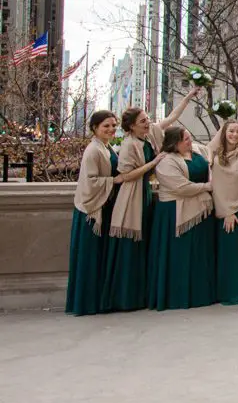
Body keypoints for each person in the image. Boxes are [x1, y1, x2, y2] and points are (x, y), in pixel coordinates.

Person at [108, 87, 199, 311]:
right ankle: (126, 298)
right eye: (142, 121)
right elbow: (125, 175)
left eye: (147, 119)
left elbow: (172, 117)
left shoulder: (150, 135)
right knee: (131, 245)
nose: (147, 123)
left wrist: (188, 97)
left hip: (145, 193)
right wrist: (154, 163)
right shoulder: (129, 145)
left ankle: (143, 294)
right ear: (131, 126)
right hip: (132, 195)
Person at [148, 127, 216, 310]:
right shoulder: (166, 161)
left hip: (200, 212)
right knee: (180, 256)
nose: (190, 141)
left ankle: (200, 294)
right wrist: (207, 187)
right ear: (174, 143)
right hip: (175, 213)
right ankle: (178, 296)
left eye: (189, 137)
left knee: (199, 255)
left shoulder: (197, 151)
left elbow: (214, 149)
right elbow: (181, 187)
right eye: (186, 139)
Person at [67, 111, 121, 316]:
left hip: (103, 208)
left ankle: (98, 301)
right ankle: (86, 303)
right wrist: (114, 180)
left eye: (113, 125)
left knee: (98, 258)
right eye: (106, 126)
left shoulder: (106, 147)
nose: (111, 129)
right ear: (94, 128)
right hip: (91, 212)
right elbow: (90, 182)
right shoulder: (93, 150)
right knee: (89, 259)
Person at [208, 119, 238, 306]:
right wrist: (226, 212)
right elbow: (216, 187)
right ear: (223, 133)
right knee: (230, 252)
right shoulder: (215, 154)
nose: (235, 135)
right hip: (226, 210)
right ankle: (229, 292)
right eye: (231, 131)